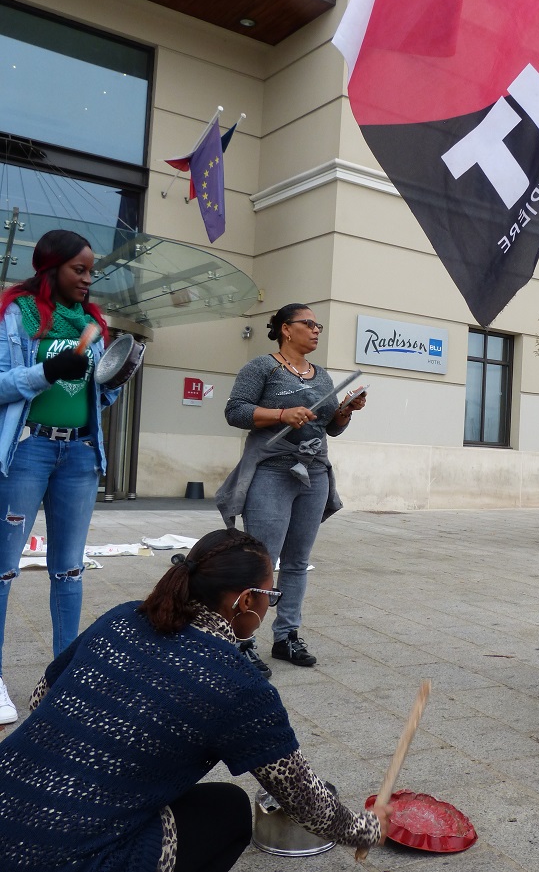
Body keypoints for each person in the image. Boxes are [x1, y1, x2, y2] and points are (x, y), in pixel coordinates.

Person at [0, 527, 390, 872]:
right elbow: (304, 800)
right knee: (229, 810)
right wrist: (368, 829)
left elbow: (41, 698)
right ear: (246, 601)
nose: (269, 606)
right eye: (269, 595)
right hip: (60, 857)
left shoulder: (120, 617)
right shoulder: (238, 685)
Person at [0, 229, 120, 726]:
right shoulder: (16, 313)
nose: (89, 280)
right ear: (51, 268)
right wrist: (48, 370)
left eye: (92, 271)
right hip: (29, 448)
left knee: (69, 568)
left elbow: (94, 396)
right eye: (80, 270)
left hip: (79, 455)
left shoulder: (94, 322)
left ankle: (64, 675)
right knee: (4, 567)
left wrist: (115, 380)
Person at [217, 303, 366, 676]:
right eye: (309, 324)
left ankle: (287, 636)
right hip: (271, 471)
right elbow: (235, 411)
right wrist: (282, 415)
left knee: (298, 561)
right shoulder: (261, 367)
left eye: (319, 325)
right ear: (286, 329)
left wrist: (346, 411)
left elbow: (330, 427)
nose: (316, 330)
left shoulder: (322, 376)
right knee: (262, 561)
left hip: (314, 473)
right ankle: (243, 640)